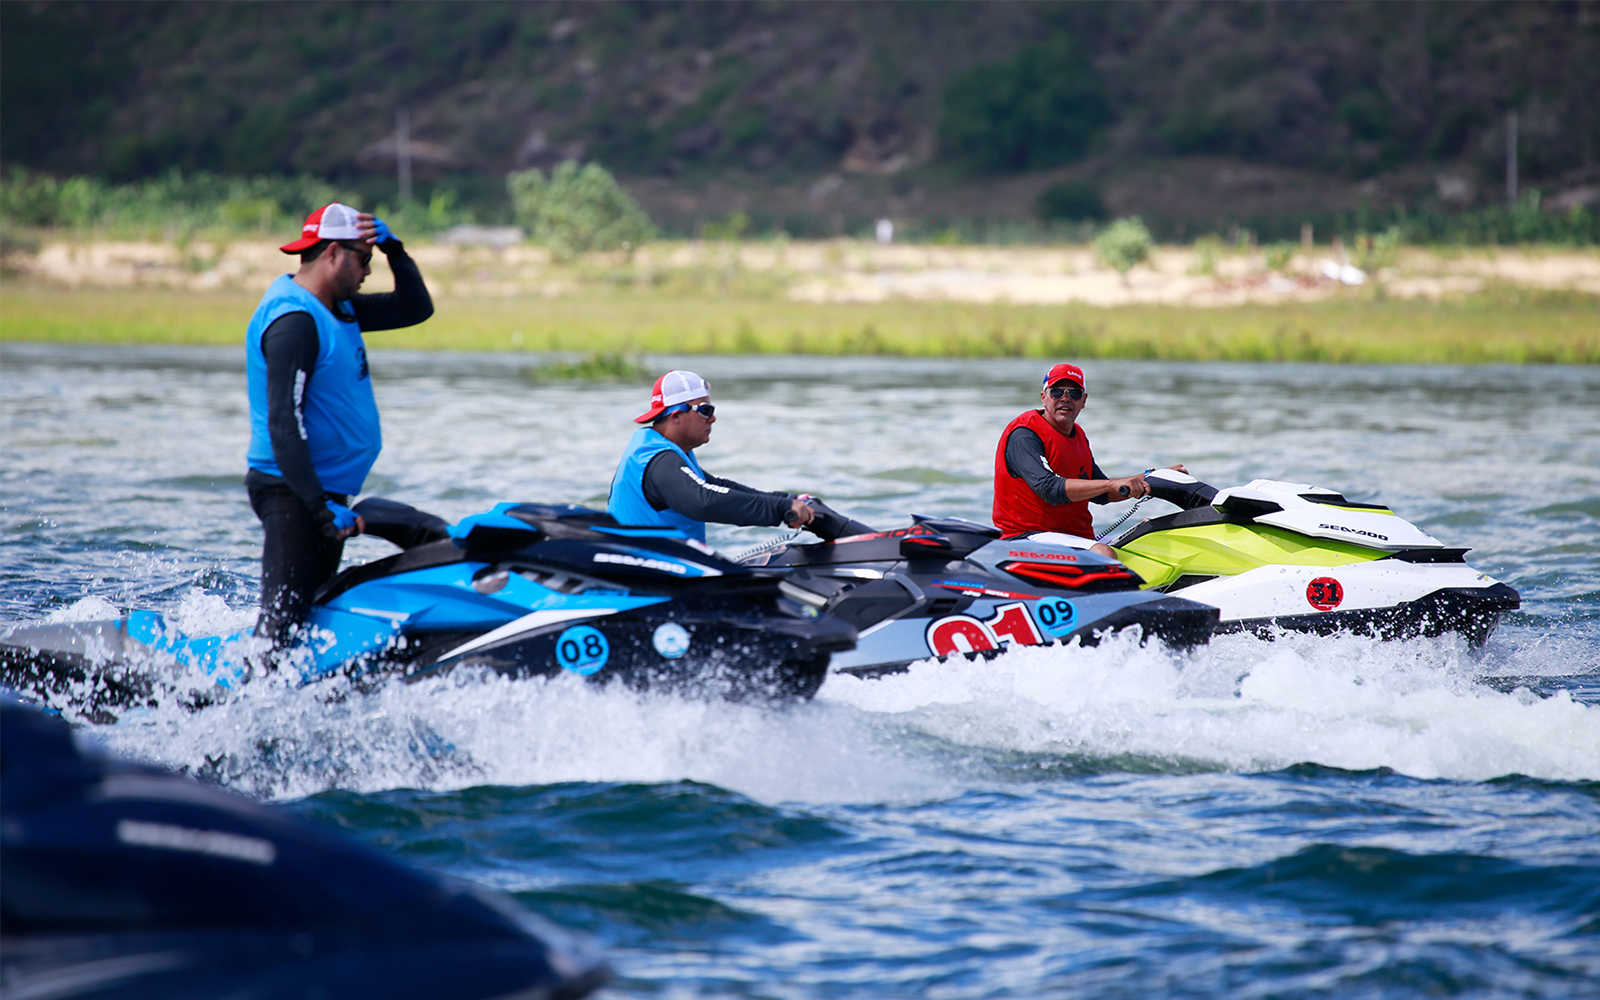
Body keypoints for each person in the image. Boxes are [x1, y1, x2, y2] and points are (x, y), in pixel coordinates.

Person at [245, 202, 434, 644]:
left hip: (323, 493)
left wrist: (395, 252)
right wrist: (316, 505)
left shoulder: (340, 307)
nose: (368, 271)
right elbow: (283, 423)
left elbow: (415, 309)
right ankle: (244, 699)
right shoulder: (294, 320)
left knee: (307, 614)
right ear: (332, 253)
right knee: (282, 625)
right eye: (364, 259)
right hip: (291, 491)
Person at [992, 363, 1185, 557]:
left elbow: (1102, 493)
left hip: (1072, 537)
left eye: (1074, 393)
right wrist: (1113, 485)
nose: (1065, 398)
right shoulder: (1025, 435)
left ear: (1084, 401)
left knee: (1150, 546)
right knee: (1104, 554)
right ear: (1044, 398)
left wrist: (1153, 477)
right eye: (1057, 392)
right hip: (1025, 538)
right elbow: (1049, 489)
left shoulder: (1078, 436)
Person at [608, 370, 816, 544]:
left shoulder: (667, 452)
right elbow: (704, 501)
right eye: (705, 410)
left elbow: (716, 485)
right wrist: (781, 510)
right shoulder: (659, 461)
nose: (713, 418)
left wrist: (785, 500)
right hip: (646, 584)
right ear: (676, 416)